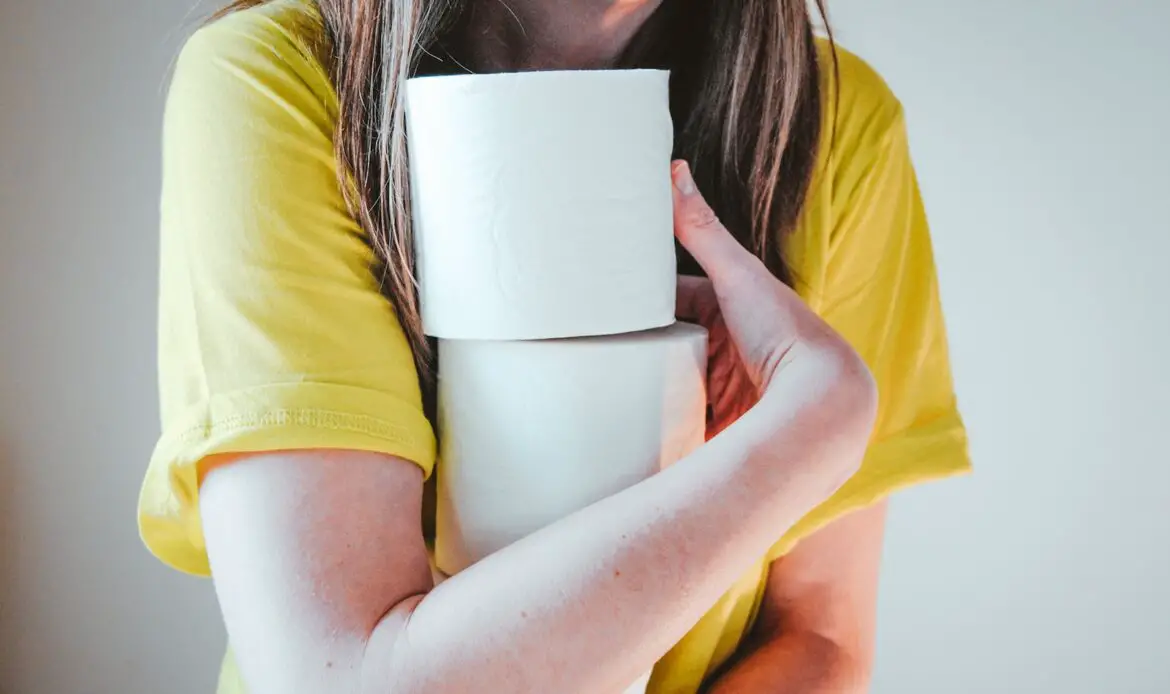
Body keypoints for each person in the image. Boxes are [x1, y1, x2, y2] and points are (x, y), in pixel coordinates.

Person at [137, 0, 971, 691]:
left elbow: (818, 639)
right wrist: (808, 431)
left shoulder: (833, 121)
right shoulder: (275, 80)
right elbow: (339, 677)